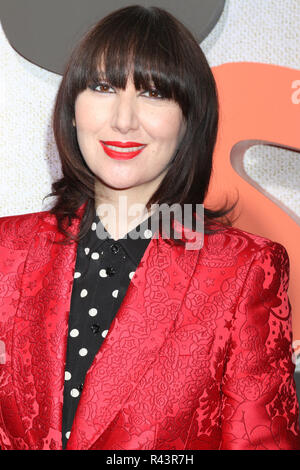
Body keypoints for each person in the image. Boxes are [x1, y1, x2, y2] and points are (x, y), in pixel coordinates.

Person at [0, 5, 299, 451]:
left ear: (189, 119)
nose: (124, 119)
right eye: (103, 87)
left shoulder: (245, 269)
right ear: (72, 110)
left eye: (154, 93)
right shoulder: (7, 249)